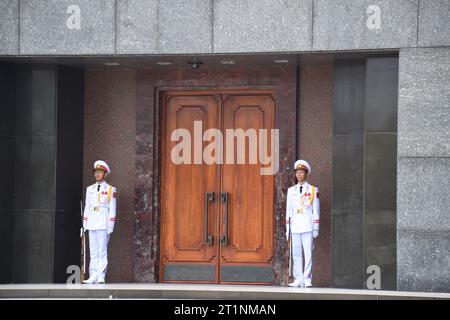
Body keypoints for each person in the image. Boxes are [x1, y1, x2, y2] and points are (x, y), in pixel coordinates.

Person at [285, 159, 320, 288]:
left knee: (308, 253)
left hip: (307, 225)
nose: (299, 175)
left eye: (302, 172)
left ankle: (307, 278)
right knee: (296, 254)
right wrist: (288, 228)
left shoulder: (312, 190)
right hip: (295, 225)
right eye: (297, 172)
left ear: (306, 174)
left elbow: (315, 209)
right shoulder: (291, 191)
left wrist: (315, 227)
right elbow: (288, 210)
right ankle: (298, 278)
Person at [82, 160, 117, 284]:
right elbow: (87, 207)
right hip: (91, 223)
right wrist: (84, 224)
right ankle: (93, 275)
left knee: (102, 251)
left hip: (103, 223)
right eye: (96, 172)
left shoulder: (110, 189)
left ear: (105, 174)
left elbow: (112, 209)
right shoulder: (89, 189)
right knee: (93, 251)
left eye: (100, 172)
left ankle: (101, 275)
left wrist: (110, 226)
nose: (97, 174)